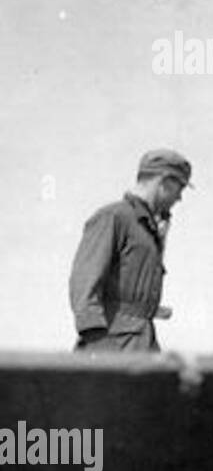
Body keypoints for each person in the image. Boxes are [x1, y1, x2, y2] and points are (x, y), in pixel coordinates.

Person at [68, 148, 192, 351]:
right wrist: (95, 339)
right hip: (112, 343)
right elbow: (85, 279)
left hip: (141, 339)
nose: (179, 198)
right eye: (180, 189)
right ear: (164, 182)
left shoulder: (147, 226)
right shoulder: (114, 216)